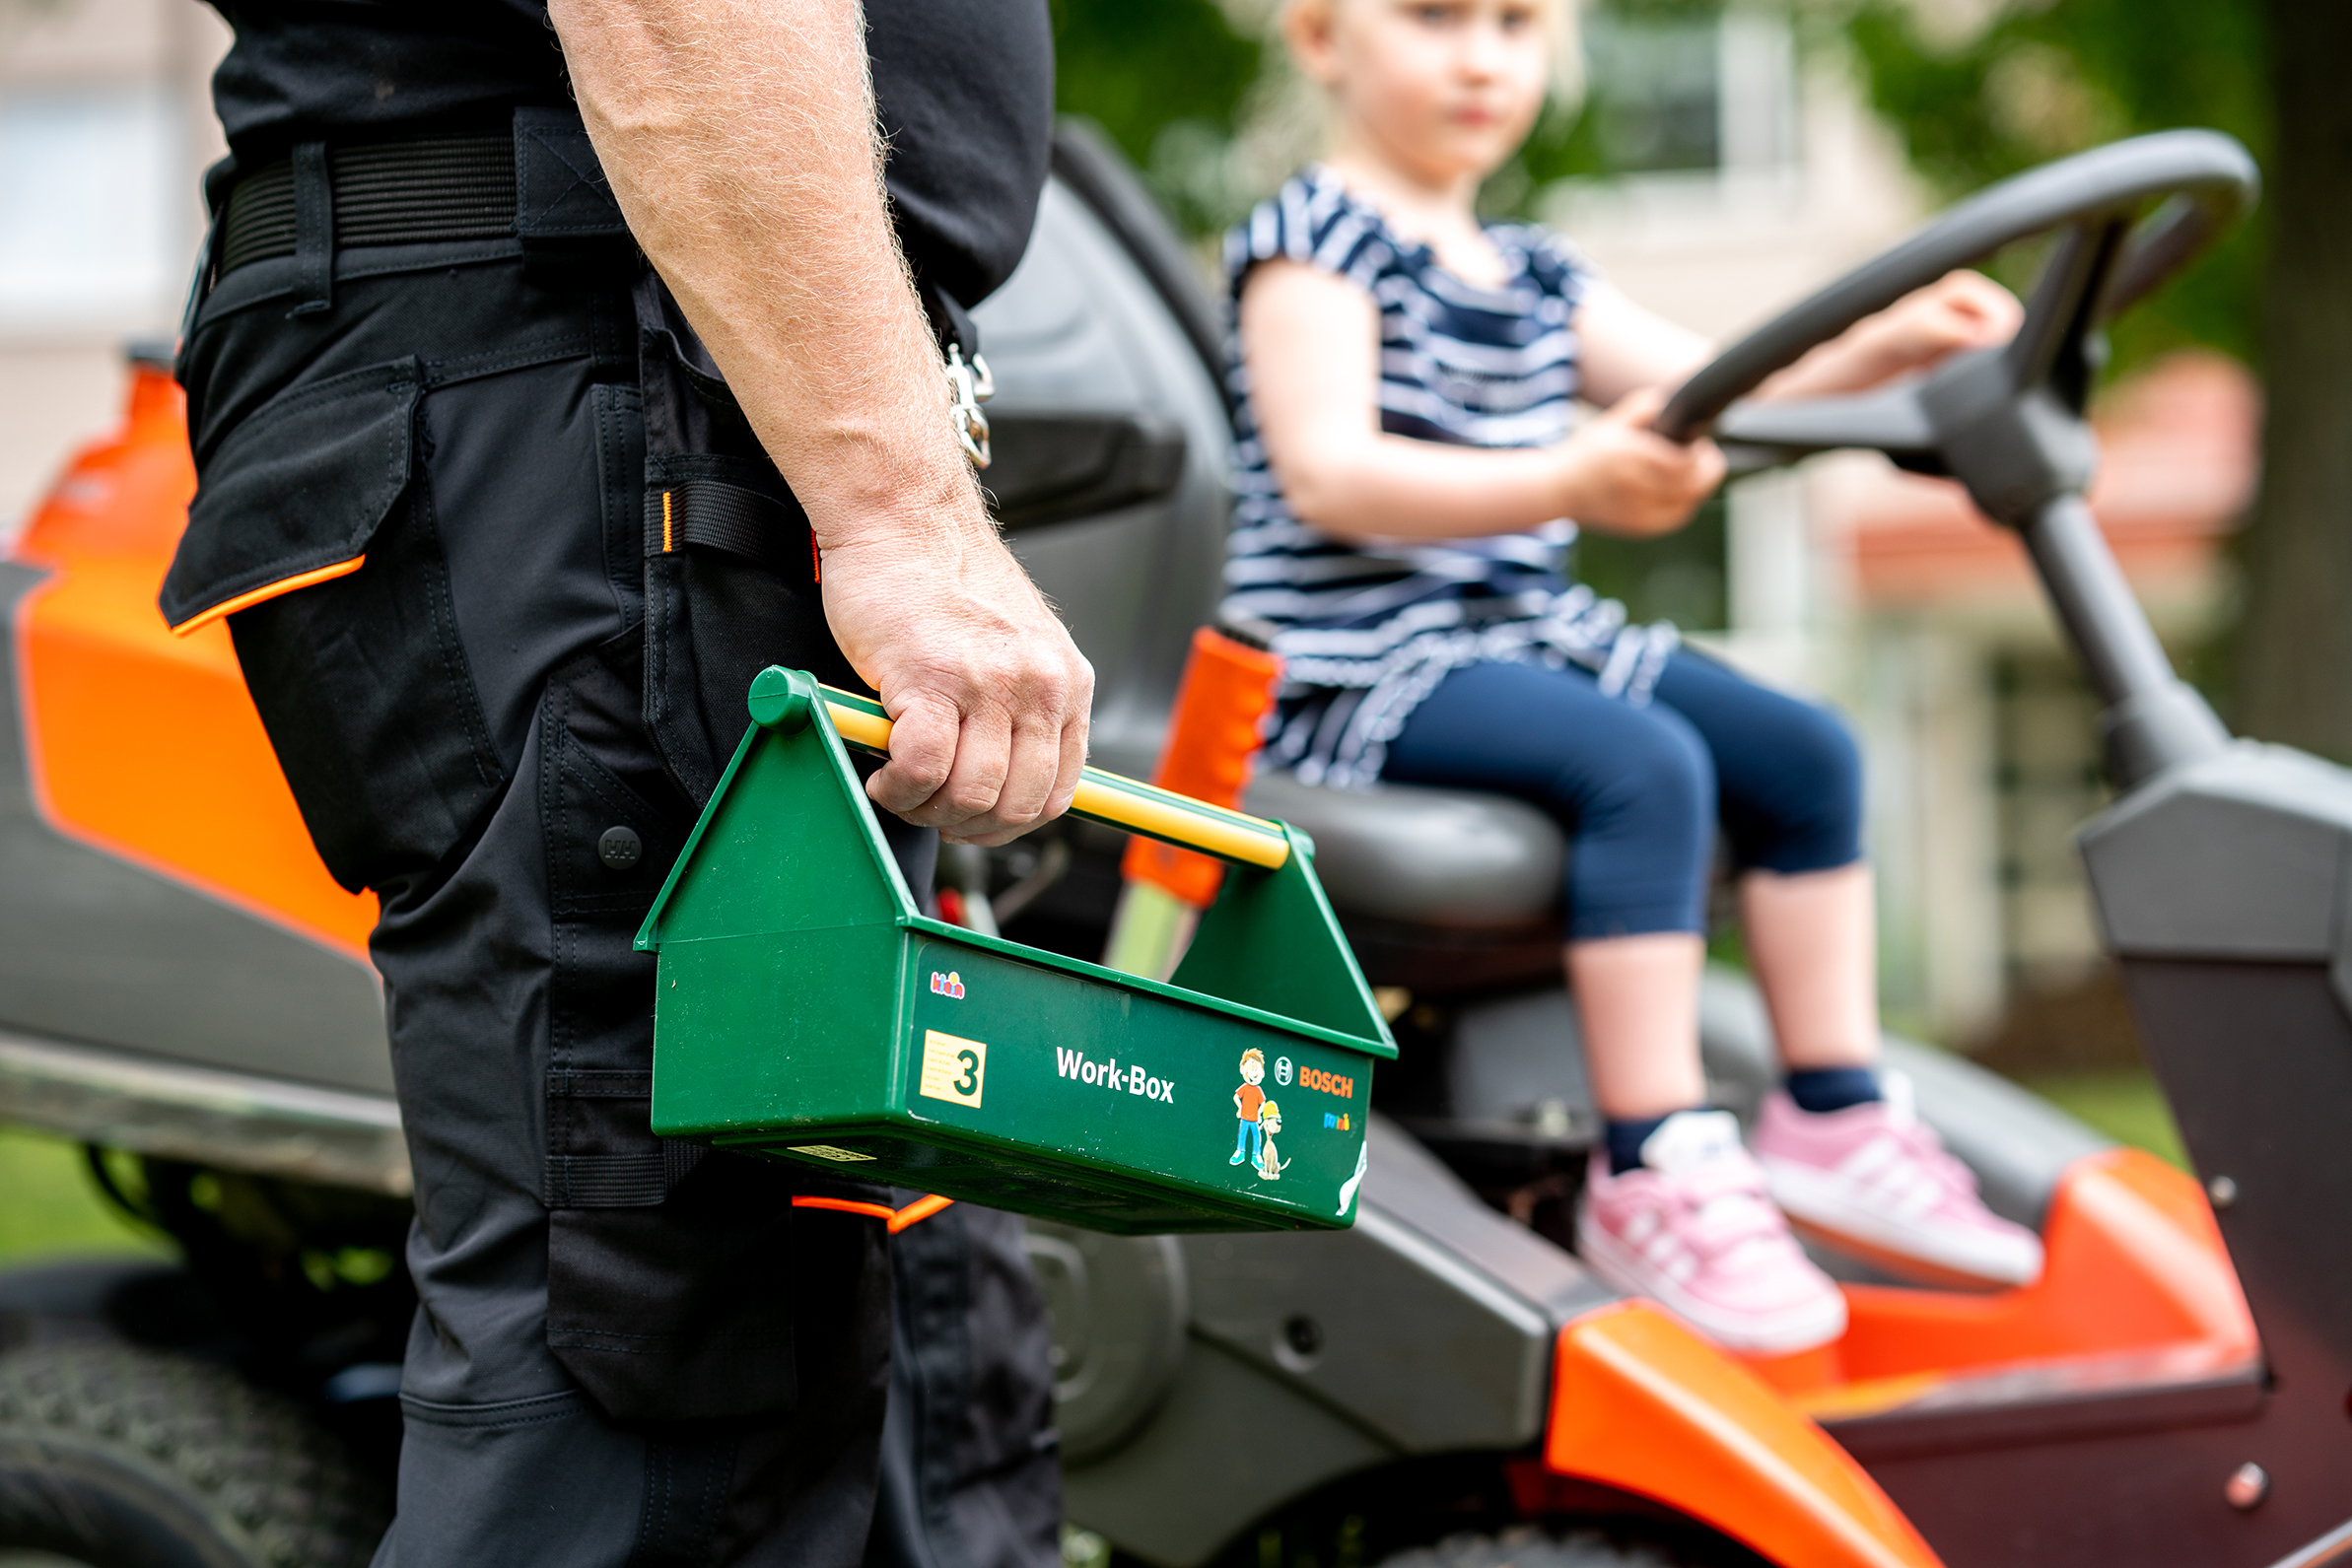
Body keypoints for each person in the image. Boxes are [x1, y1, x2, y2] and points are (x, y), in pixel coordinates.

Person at [164, 1, 1084, 1561]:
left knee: (809, 1335)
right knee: (644, 1369)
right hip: (592, 363)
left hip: (639, 364)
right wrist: (897, 510)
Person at [1224, 0, 2044, 1355]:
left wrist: (1885, 345)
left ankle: (1832, 1115)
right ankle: (1652, 1158)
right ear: (1320, 39)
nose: (1483, 57)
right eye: (1434, 18)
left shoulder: (1535, 272)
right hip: (1353, 659)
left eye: (1516, 24)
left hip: (1526, 628)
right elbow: (1328, 473)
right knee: (1640, 764)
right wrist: (1566, 475)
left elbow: (1717, 393)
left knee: (1803, 756)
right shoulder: (1310, 246)